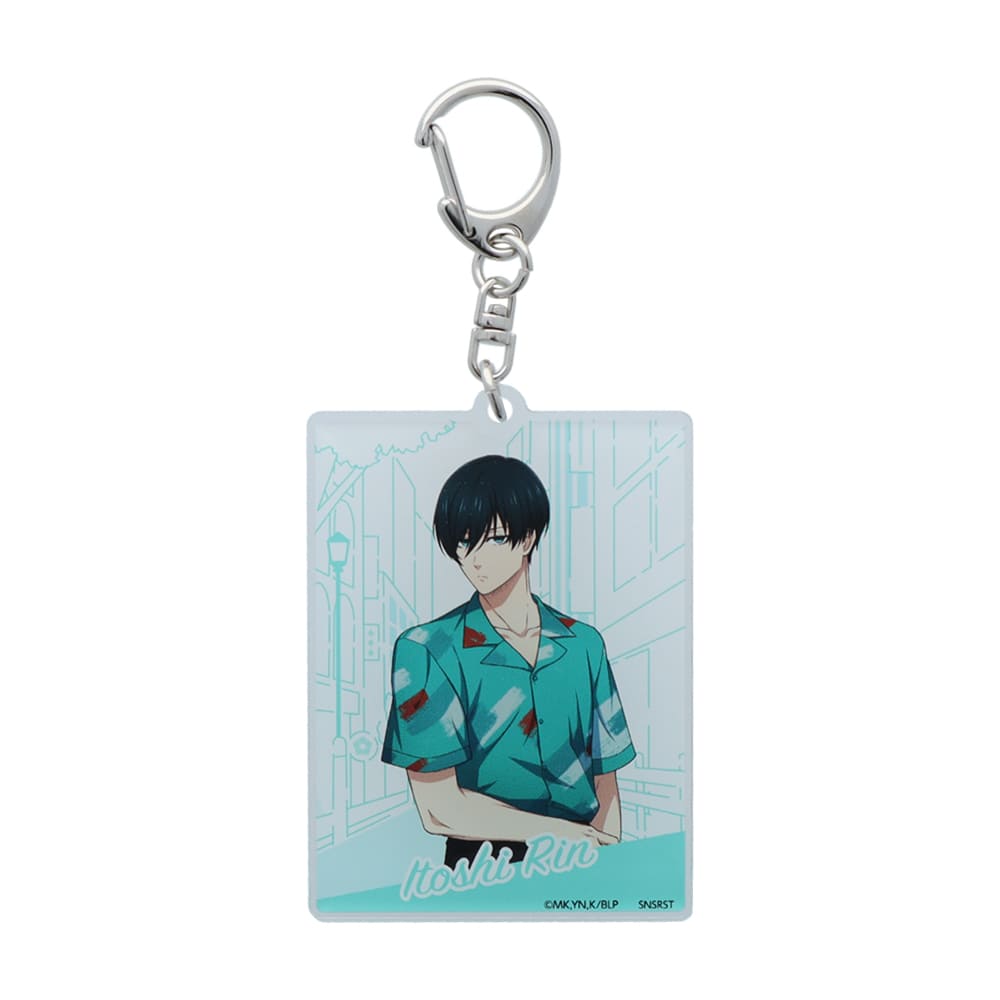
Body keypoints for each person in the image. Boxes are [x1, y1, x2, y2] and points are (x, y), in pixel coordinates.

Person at [381, 455, 635, 868]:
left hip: (586, 863)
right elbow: (437, 807)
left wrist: (607, 851)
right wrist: (569, 836)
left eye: (495, 539)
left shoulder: (584, 645)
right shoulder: (428, 649)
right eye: (464, 542)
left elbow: (606, 778)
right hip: (483, 865)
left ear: (529, 537)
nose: (475, 558)